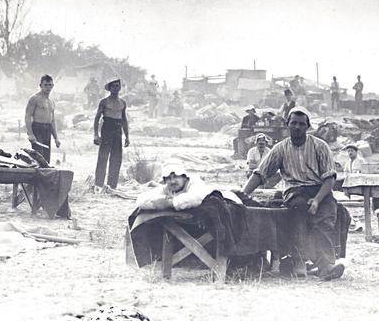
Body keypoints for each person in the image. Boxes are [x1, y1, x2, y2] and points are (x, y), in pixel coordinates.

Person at [242, 107, 345, 281]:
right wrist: (243, 193)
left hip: (319, 189)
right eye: (294, 123)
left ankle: (326, 266)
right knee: (297, 211)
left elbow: (329, 179)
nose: (297, 127)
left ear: (308, 126)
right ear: (287, 125)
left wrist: (317, 201)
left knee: (326, 217)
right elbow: (261, 173)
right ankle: (299, 261)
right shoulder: (279, 149)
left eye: (301, 124)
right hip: (294, 191)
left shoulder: (321, 146)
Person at [136, 160, 241, 210]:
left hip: (230, 204)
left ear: (184, 177)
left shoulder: (194, 183)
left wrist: (169, 203)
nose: (172, 181)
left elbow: (195, 198)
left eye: (176, 177)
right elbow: (141, 199)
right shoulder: (167, 188)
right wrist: (159, 200)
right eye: (168, 178)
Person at [93, 78, 130, 192]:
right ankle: (98, 185)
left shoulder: (122, 103)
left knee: (116, 158)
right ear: (109, 88)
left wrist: (127, 136)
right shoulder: (104, 102)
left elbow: (124, 119)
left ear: (120, 87)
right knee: (103, 157)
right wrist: (96, 134)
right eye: (113, 86)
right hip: (107, 128)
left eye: (117, 86)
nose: (115, 88)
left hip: (117, 129)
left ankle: (112, 186)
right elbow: (97, 118)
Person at [25, 75, 61, 163]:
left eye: (50, 85)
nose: (48, 87)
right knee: (38, 156)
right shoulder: (34, 99)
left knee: (46, 157)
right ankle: (37, 176)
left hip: (47, 130)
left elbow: (52, 120)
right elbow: (27, 116)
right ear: (40, 85)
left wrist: (56, 138)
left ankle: (45, 176)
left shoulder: (51, 101)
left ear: (52, 86)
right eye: (45, 85)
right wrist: (30, 134)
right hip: (37, 128)